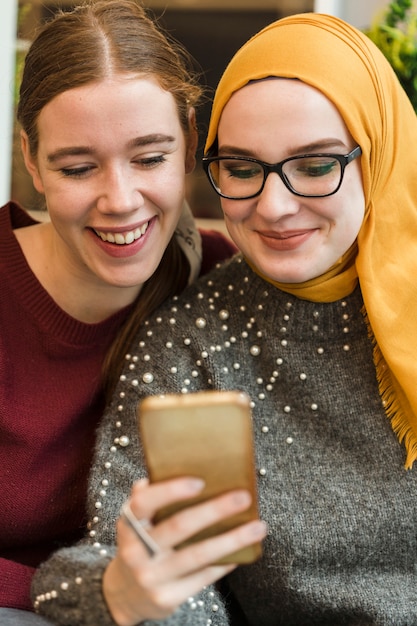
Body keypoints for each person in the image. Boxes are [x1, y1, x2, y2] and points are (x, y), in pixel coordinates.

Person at [31, 10, 417, 626]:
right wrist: (138, 594)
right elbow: (151, 567)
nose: (274, 206)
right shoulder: (195, 336)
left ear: (384, 156)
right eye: (240, 168)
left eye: (316, 166)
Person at [0, 1, 237, 623]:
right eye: (78, 167)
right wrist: (91, 597)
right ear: (31, 159)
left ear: (190, 141)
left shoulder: (220, 285)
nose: (121, 200)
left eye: (150, 158)